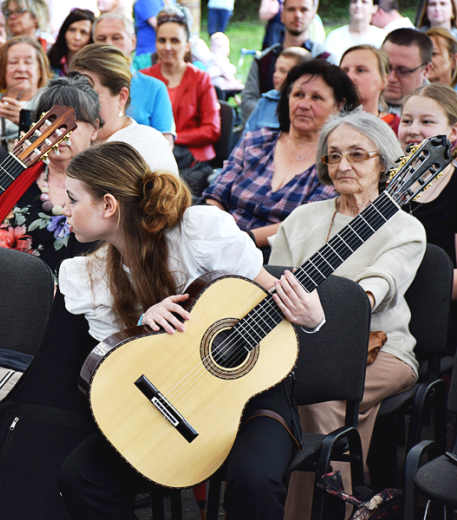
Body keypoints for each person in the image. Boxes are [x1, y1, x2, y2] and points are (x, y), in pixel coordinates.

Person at [56, 141, 325, 520]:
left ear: (107, 205)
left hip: (252, 393)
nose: (62, 209)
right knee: (81, 475)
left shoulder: (198, 231)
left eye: (72, 199)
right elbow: (115, 367)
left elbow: (268, 293)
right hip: (171, 397)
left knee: (254, 480)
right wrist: (143, 325)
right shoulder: (89, 274)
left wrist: (311, 316)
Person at [276, 109, 424, 518]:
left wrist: (339, 308)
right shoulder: (302, 218)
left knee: (322, 396)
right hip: (300, 347)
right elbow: (275, 284)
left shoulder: (403, 227)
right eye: (334, 155)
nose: (343, 165)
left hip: (385, 350)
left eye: (358, 154)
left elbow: (379, 286)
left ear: (384, 161)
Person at [204, 60, 357, 250]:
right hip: (218, 240)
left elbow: (306, 223)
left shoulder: (337, 163)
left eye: (316, 97)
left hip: (276, 256)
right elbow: (215, 195)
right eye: (298, 94)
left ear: (339, 106)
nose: (303, 104)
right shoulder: (256, 141)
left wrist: (242, 241)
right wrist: (216, 232)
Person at [0, 74, 101, 274]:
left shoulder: (107, 186)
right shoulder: (13, 176)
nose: (60, 130)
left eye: (74, 120)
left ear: (95, 129)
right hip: (11, 293)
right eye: (50, 119)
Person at [398, 83, 457, 347]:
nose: (412, 129)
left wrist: (397, 283)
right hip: (374, 309)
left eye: (427, 121)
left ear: (453, 132)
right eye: (407, 120)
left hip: (432, 316)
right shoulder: (380, 182)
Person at [141, 11, 220, 196]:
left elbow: (212, 129)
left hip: (191, 161)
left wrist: (170, 139)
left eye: (174, 41)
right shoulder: (143, 77)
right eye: (162, 40)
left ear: (187, 45)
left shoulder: (201, 78)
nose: (167, 47)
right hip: (149, 158)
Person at [71, 43, 179, 177]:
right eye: (76, 95)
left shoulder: (145, 144)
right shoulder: (74, 140)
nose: (80, 106)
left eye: (90, 95)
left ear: (122, 97)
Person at [92, 12, 176, 147]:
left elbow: (165, 144)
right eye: (101, 38)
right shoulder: (82, 86)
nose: (108, 44)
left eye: (116, 38)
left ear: (132, 42)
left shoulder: (154, 88)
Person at [241, 0, 329, 121]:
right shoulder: (263, 60)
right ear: (282, 15)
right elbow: (247, 101)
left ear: (313, 16)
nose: (297, 15)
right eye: (291, 9)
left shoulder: (324, 60)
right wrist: (274, 115)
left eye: (304, 10)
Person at [0, 36, 49, 148]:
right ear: (2, 69)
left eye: (28, 62)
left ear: (40, 70)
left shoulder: (51, 105)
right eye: (13, 62)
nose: (21, 68)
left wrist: (28, 122)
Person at [242, 46, 310, 137]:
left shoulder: (306, 106)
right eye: (275, 70)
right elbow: (245, 138)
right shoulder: (265, 101)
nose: (275, 75)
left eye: (283, 71)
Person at [340, 44, 400, 132]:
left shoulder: (399, 128)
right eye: (344, 71)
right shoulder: (325, 124)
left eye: (360, 70)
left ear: (383, 81)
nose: (349, 77)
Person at [381, 28, 433, 114]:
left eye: (403, 71)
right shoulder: (358, 100)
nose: (391, 78)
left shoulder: (442, 110)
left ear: (426, 70)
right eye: (386, 67)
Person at [323, 0, 384, 65]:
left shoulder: (382, 37)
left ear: (375, 8)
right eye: (354, 1)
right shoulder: (334, 36)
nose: (358, 5)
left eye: (364, 2)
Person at [47, 8, 94, 77]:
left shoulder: (95, 66)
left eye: (83, 32)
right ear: (64, 32)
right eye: (72, 30)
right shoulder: (50, 57)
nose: (76, 37)